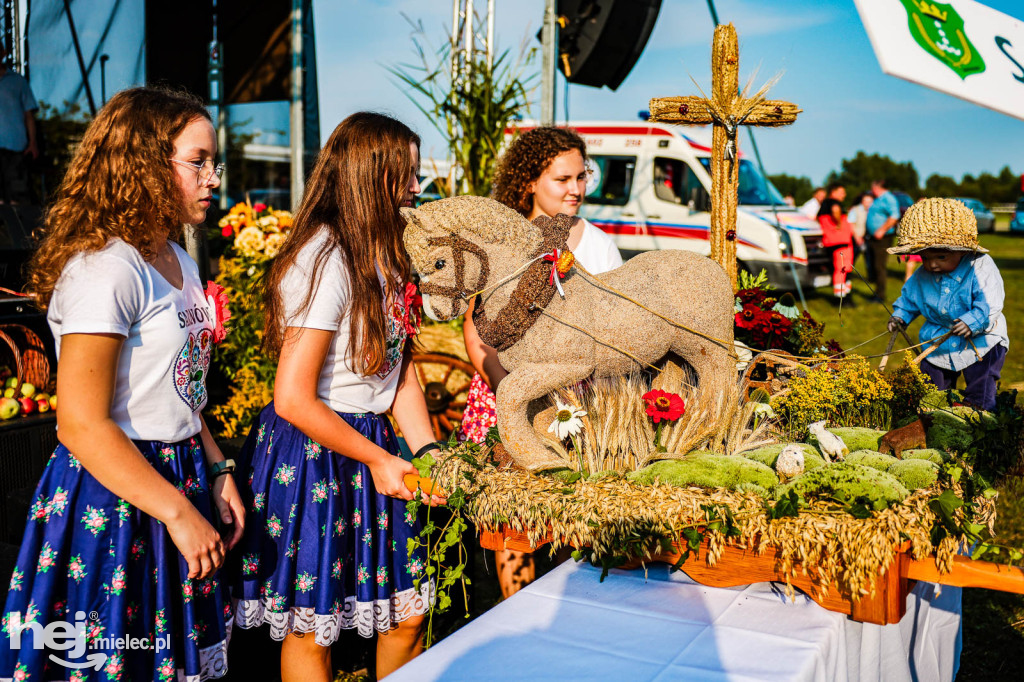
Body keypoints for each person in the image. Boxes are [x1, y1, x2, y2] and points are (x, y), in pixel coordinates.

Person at [1, 87, 242, 680]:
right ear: (146, 164)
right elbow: (80, 423)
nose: (213, 177)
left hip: (176, 478)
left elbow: (179, 388)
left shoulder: (178, 260)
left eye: (214, 162)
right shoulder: (107, 267)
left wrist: (216, 468)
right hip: (115, 497)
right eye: (198, 161)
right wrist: (178, 514)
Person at [232, 112, 443, 682]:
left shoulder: (391, 256)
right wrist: (380, 459)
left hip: (373, 444)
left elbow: (400, 375)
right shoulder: (323, 258)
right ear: (368, 177)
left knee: (408, 613)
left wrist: (427, 454)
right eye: (406, 176)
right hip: (314, 452)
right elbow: (293, 398)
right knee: (314, 626)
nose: (415, 191)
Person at [460, 126, 622, 598]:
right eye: (561, 179)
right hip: (504, 391)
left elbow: (610, 325)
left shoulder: (597, 245)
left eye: (581, 176)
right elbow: (477, 330)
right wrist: (508, 389)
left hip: (577, 399)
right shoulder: (500, 240)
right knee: (516, 523)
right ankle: (517, 611)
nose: (575, 189)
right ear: (530, 180)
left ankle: (565, 608)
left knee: (571, 512)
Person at [887, 198, 1007, 412]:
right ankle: (936, 423)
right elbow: (910, 298)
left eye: (941, 257)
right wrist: (900, 316)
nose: (932, 264)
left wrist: (973, 321)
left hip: (980, 342)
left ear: (963, 250)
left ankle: (981, 426)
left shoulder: (980, 267)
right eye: (924, 258)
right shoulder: (922, 275)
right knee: (933, 393)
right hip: (937, 342)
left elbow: (990, 301)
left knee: (980, 392)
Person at [0, 39, 39, 204]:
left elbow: (29, 114)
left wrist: (33, 143)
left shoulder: (17, 81)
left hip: (16, 146)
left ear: (3, 53)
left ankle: (18, 229)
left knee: (18, 196)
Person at [865, 179, 901, 302]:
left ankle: (880, 295)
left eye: (872, 186)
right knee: (873, 265)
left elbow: (894, 216)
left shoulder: (888, 198)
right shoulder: (878, 199)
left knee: (879, 266)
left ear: (877, 186)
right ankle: (876, 292)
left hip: (883, 237)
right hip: (873, 237)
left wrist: (882, 230)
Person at [816, 182, 853, 302]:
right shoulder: (834, 203)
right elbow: (835, 210)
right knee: (842, 268)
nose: (844, 195)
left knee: (840, 268)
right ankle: (842, 298)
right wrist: (839, 223)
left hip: (831, 240)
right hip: (840, 240)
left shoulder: (824, 203)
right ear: (834, 192)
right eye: (842, 192)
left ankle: (843, 293)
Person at [847, 192, 873, 270]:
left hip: (868, 238)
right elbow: (851, 224)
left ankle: (871, 277)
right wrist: (857, 237)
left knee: (869, 259)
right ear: (862, 201)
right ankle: (847, 275)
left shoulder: (872, 211)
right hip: (856, 238)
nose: (868, 204)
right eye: (866, 202)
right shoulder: (855, 210)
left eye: (870, 202)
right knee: (852, 258)